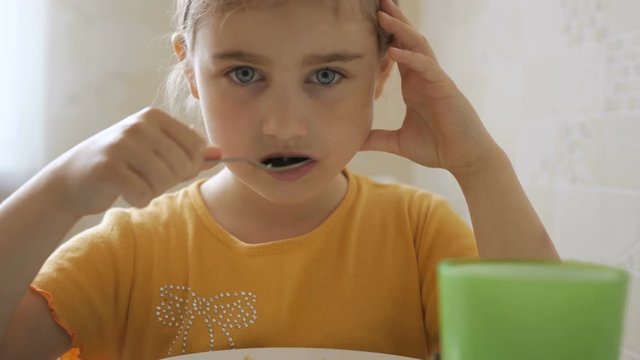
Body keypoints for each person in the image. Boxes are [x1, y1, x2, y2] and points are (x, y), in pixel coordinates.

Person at [0, 0, 559, 359]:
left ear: (383, 74)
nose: (284, 125)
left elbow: (544, 347)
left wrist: (480, 166)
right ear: (192, 72)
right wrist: (58, 192)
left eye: (326, 74)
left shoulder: (418, 232)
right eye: (244, 73)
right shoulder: (129, 252)